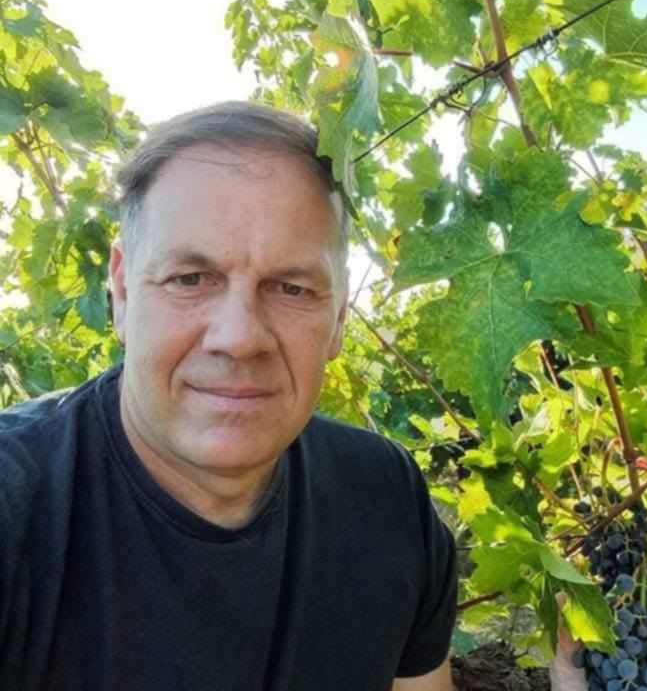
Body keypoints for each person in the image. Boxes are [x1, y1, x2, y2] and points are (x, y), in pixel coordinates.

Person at [0, 102, 457, 690]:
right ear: (122, 292)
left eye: (291, 288)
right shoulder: (14, 510)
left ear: (340, 316)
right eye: (190, 279)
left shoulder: (388, 497)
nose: (239, 338)